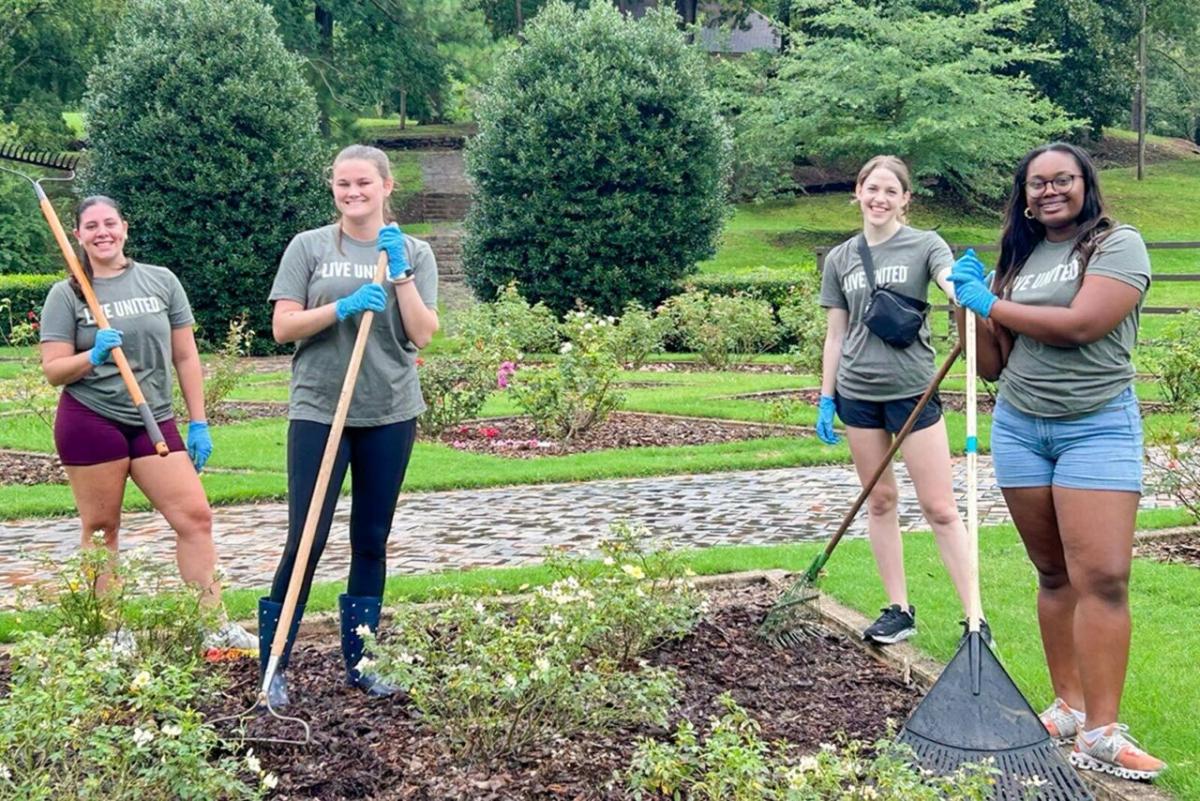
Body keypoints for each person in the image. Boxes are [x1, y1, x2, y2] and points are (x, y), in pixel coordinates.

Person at [951, 142, 1165, 781]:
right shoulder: (1017, 259)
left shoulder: (1116, 245)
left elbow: (1080, 324)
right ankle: (1068, 708)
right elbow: (991, 366)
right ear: (1024, 196)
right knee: (1052, 574)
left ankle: (1102, 731)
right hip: (1021, 427)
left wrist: (991, 304)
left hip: (1096, 424)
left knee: (1101, 577)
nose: (1049, 190)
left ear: (1084, 184)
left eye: (1061, 180)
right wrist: (963, 305)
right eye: (1036, 183)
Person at [259, 144, 439, 707]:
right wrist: (337, 309)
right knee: (305, 538)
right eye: (342, 184)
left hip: (388, 410)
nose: (353, 192)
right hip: (319, 408)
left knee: (371, 539)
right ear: (333, 188)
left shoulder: (413, 251)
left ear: (387, 186)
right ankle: (275, 666)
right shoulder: (309, 247)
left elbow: (423, 334)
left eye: (363, 183)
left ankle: (362, 664)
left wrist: (401, 277)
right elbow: (282, 327)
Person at [38, 195, 256, 650]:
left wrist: (198, 422)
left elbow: (185, 355)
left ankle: (213, 625)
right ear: (77, 235)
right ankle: (110, 633)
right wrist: (91, 354)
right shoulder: (69, 293)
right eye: (91, 226)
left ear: (125, 228)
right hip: (91, 418)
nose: (102, 232)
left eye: (110, 223)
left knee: (195, 518)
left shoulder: (161, 281)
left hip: (154, 419)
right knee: (102, 529)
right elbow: (54, 369)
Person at [817, 155, 980, 646]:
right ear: (858, 192)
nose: (880, 199)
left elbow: (948, 279)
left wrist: (964, 286)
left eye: (891, 191)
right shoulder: (841, 258)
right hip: (858, 397)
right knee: (881, 501)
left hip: (914, 392)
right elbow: (835, 335)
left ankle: (975, 618)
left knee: (941, 508)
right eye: (872, 189)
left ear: (906, 199)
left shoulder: (925, 245)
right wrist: (828, 397)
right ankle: (898, 609)